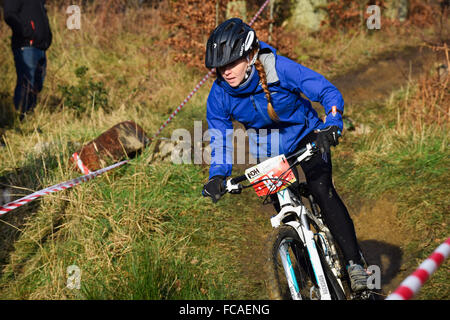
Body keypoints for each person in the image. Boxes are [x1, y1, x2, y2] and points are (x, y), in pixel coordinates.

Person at [201, 18, 369, 292]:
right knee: (285, 210)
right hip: (269, 150)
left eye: (231, 63)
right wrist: (218, 175)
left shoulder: (279, 68)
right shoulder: (219, 93)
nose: (225, 72)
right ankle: (310, 281)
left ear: (249, 55)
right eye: (220, 67)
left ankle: (355, 264)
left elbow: (327, 91)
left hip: (307, 135)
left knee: (321, 188)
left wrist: (332, 124)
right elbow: (220, 137)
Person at [3, 0, 52, 120]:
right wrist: (27, 32)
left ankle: (29, 115)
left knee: (37, 84)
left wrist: (47, 36)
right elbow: (9, 14)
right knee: (26, 83)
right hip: (26, 46)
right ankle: (20, 117)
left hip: (40, 46)